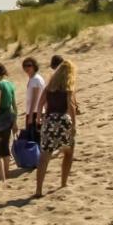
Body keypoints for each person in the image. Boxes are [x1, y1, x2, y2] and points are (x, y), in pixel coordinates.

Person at [35, 56, 78, 198]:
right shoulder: (67, 86)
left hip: (49, 121)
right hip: (63, 120)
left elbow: (40, 103)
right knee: (68, 152)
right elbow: (71, 106)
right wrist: (74, 125)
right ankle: (63, 182)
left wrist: (39, 119)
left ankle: (39, 190)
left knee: (44, 156)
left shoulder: (49, 86)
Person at [22, 57, 45, 132]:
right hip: (34, 112)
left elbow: (35, 98)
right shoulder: (33, 79)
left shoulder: (35, 79)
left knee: (34, 140)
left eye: (29, 65)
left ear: (34, 66)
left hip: (35, 113)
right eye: (24, 66)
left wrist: (31, 115)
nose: (27, 68)